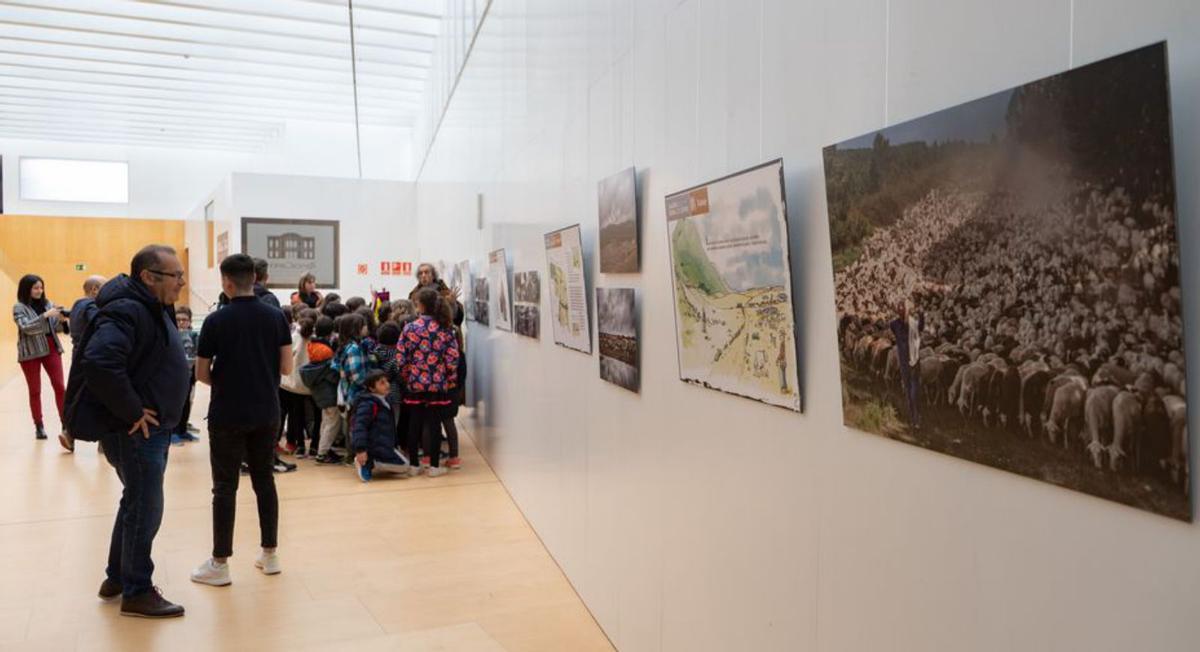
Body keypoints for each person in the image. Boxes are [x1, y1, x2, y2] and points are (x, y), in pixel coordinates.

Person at [65, 244, 189, 618]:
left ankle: (118, 576)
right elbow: (101, 361)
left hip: (149, 429)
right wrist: (133, 409)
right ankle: (136, 590)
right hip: (136, 432)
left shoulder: (147, 305)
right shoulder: (128, 309)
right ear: (148, 277)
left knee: (135, 501)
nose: (182, 282)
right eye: (176, 276)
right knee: (146, 506)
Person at [191, 254, 293, 588]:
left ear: (227, 283)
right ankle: (270, 554)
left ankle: (220, 563)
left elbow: (202, 372)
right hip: (267, 411)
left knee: (225, 487)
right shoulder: (276, 317)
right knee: (265, 481)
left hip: (227, 414)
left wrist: (226, 381)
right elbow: (287, 368)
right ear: (255, 279)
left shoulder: (216, 321)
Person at [398, 289, 461, 477]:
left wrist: (408, 375)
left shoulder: (409, 328)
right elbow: (452, 358)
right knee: (434, 424)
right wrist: (449, 378)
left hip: (415, 383)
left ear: (421, 305)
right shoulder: (446, 329)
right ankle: (434, 466)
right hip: (437, 383)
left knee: (414, 423)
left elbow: (401, 357)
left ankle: (414, 465)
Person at [13, 274, 67, 442]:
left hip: (51, 347)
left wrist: (62, 320)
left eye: (41, 287)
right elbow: (26, 327)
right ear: (26, 289)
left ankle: (65, 424)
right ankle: (39, 425)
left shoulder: (48, 304)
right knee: (35, 390)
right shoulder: (19, 307)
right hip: (31, 351)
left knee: (59, 386)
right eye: (35, 288)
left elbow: (55, 328)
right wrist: (45, 316)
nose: (39, 291)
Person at [351, 370, 416, 482]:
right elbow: (359, 427)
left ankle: (376, 460)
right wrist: (361, 449)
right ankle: (367, 462)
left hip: (384, 445)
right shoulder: (367, 404)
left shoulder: (385, 400)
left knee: (405, 466)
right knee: (404, 467)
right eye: (382, 383)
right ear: (372, 388)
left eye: (386, 381)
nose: (387, 385)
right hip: (372, 447)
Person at [300, 316, 340, 463]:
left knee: (326, 420)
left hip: (320, 390)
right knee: (332, 422)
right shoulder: (325, 350)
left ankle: (323, 449)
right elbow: (330, 371)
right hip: (327, 390)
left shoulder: (313, 344)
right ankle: (322, 453)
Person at [278, 309, 313, 457]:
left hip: (287, 382)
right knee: (298, 414)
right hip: (305, 384)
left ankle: (279, 442)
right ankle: (294, 444)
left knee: (283, 412)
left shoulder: (292, 337)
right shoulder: (315, 338)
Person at [889, 300, 925, 430]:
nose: (901, 309)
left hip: (914, 362)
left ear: (908, 309)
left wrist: (921, 315)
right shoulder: (894, 324)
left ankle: (917, 417)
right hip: (904, 363)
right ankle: (913, 418)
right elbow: (894, 328)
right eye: (899, 307)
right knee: (908, 392)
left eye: (903, 307)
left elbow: (921, 328)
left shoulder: (913, 324)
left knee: (915, 392)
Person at [172, 305, 200, 444]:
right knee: (176, 404)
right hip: (174, 377)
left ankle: (182, 430)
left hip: (189, 376)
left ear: (190, 321)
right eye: (178, 320)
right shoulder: (170, 334)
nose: (181, 322)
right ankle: (173, 432)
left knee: (186, 404)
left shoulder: (194, 336)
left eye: (185, 320)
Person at [69, 275, 106, 348]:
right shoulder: (91, 305)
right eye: (105, 288)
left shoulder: (77, 303)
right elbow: (100, 323)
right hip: (88, 349)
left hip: (77, 349)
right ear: (94, 289)